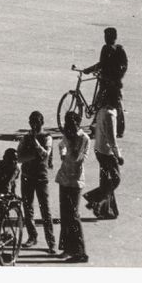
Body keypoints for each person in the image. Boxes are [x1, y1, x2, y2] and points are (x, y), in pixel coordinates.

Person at [17, 111, 55, 254]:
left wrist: (35, 144)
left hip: (41, 178)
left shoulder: (47, 137)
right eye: (31, 123)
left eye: (36, 123)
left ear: (42, 123)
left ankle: (51, 242)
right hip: (27, 176)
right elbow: (19, 156)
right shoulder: (25, 137)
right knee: (28, 209)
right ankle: (32, 236)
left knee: (45, 210)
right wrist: (33, 156)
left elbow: (46, 154)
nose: (34, 126)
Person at [81, 27, 128, 138]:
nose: (106, 39)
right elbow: (124, 66)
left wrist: (89, 70)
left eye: (107, 36)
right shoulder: (119, 49)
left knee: (103, 103)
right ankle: (116, 129)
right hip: (112, 83)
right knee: (112, 104)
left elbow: (101, 64)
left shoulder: (109, 49)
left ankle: (97, 125)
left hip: (108, 82)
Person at [56, 111, 89, 263]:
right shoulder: (68, 135)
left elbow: (78, 158)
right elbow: (61, 145)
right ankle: (67, 248)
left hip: (75, 180)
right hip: (64, 177)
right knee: (65, 214)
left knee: (74, 215)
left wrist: (70, 141)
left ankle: (80, 251)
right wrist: (63, 152)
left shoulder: (83, 138)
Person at [84, 94, 122, 220]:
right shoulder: (110, 114)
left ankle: (107, 210)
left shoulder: (102, 110)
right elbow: (112, 138)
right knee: (115, 180)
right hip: (107, 151)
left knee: (106, 180)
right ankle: (94, 198)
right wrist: (118, 155)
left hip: (98, 148)